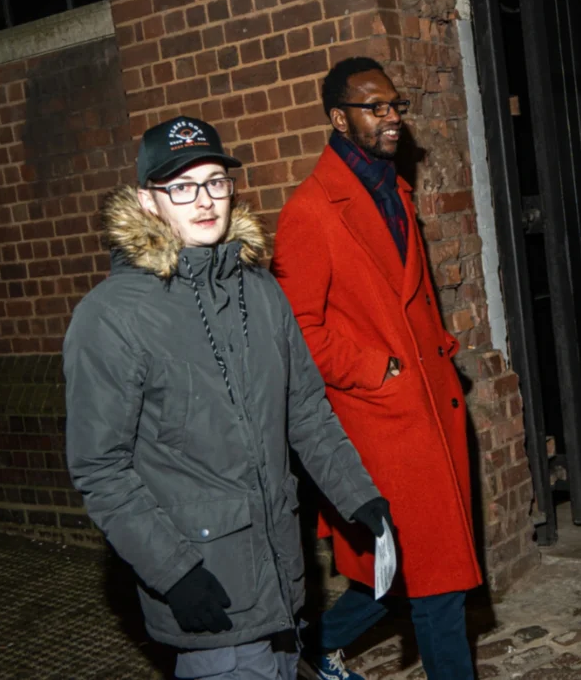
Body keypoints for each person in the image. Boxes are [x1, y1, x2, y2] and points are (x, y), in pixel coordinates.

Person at [64, 116, 393, 680]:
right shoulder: (111, 316)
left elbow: (305, 410)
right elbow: (100, 469)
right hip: (207, 585)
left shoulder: (261, 291)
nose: (203, 200)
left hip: (282, 578)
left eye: (215, 181)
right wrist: (174, 572)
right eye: (182, 187)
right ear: (147, 201)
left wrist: (357, 494)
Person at [272, 57, 482, 680]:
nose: (392, 118)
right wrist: (381, 369)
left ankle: (313, 647)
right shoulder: (311, 211)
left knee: (404, 567)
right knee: (439, 581)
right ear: (339, 119)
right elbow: (298, 333)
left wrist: (436, 347)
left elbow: (404, 297)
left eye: (395, 105)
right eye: (375, 107)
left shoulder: (393, 188)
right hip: (381, 420)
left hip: (430, 405)